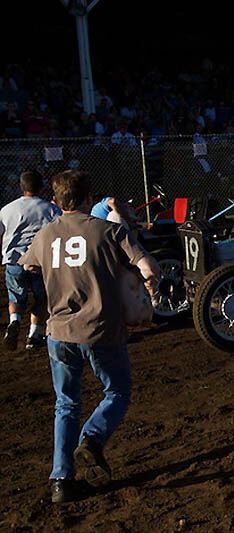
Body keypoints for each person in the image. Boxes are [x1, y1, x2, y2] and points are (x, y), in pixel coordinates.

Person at [19, 170, 160, 504]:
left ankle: (61, 480)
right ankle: (92, 440)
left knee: (66, 404)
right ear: (88, 198)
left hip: (59, 332)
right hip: (100, 329)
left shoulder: (46, 234)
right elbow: (148, 267)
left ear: (56, 201)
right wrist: (151, 284)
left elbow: (27, 267)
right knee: (118, 391)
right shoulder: (108, 231)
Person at [0, 170, 61, 350]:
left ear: (21, 187)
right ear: (41, 187)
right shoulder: (51, 209)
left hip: (13, 260)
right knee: (42, 299)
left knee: (16, 297)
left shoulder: (7, 209)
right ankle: (33, 335)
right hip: (39, 261)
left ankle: (14, 321)